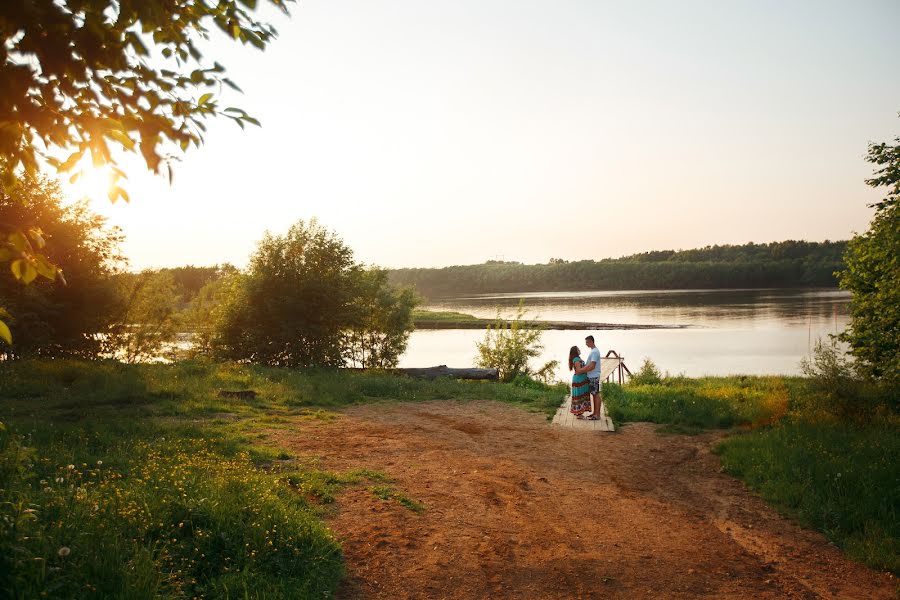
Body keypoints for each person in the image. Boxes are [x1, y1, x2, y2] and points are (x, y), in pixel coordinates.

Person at [580, 335, 603, 418]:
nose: (586, 344)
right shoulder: (593, 351)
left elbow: (592, 366)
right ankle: (595, 413)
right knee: (594, 394)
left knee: (596, 394)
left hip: (594, 376)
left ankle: (597, 414)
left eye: (587, 342)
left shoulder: (594, 352)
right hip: (592, 376)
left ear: (591, 341)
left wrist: (581, 371)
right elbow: (590, 365)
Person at [568, 345, 594, 418]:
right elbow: (579, 371)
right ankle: (578, 414)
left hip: (581, 379)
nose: (579, 350)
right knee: (579, 396)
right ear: (575, 351)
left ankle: (579, 413)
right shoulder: (576, 359)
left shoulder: (577, 358)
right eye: (578, 349)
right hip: (579, 380)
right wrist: (588, 368)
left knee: (581, 396)